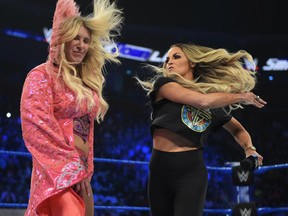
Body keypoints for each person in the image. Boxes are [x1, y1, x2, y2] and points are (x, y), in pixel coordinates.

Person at [136, 43, 266, 216]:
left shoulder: (212, 102)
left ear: (192, 62)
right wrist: (242, 96)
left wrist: (250, 149)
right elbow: (201, 101)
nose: (169, 62)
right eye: (167, 59)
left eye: (176, 57)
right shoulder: (164, 84)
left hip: (191, 172)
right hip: (159, 170)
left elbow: (237, 130)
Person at [20, 0, 123, 215]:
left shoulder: (84, 83)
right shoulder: (41, 75)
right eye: (76, 38)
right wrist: (71, 167)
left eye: (86, 40)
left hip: (83, 173)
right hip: (56, 172)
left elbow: (87, 131)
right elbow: (37, 128)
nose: (81, 45)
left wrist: (85, 170)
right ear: (62, 39)